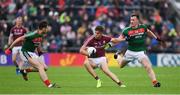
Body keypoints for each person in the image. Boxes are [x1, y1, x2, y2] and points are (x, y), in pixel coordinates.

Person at [113, 13, 164, 87]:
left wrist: (156, 38)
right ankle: (118, 56)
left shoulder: (143, 27)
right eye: (131, 20)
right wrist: (124, 39)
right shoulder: (126, 30)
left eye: (133, 20)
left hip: (140, 52)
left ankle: (155, 82)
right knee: (120, 65)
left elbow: (149, 32)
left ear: (137, 20)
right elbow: (118, 39)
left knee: (148, 66)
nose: (131, 21)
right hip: (130, 52)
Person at [5, 21, 60, 88]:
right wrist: (10, 48)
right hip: (25, 52)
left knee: (45, 68)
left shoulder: (41, 35)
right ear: (43, 28)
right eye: (47, 28)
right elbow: (19, 38)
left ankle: (25, 71)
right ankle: (49, 85)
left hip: (32, 53)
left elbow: (37, 43)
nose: (47, 29)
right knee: (40, 67)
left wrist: (40, 52)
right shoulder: (32, 34)